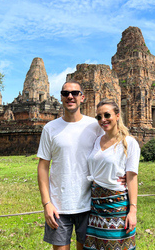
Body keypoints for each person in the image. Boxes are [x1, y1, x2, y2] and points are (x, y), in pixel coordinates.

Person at [37, 81, 114, 250]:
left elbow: (111, 150)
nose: (70, 96)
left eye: (74, 93)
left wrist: (123, 174)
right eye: (65, 93)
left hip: (89, 203)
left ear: (82, 97)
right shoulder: (50, 128)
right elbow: (43, 167)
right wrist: (46, 203)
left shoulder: (95, 126)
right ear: (61, 97)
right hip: (58, 205)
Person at [84, 99, 140, 250]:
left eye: (107, 115)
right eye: (99, 117)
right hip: (95, 206)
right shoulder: (96, 141)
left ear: (117, 115)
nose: (103, 120)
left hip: (117, 205)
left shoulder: (129, 143)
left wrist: (133, 211)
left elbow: (132, 177)